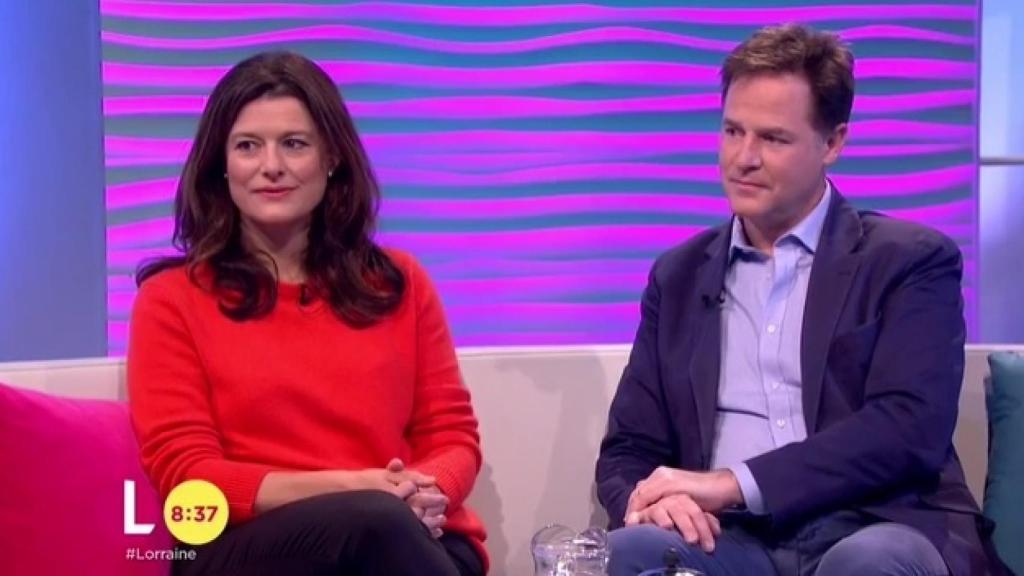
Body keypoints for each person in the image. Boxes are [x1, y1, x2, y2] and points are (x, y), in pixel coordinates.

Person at [596, 24, 1007, 576]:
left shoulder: (908, 261)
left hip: (876, 525)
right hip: (733, 540)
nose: (743, 158)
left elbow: (907, 429)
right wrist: (649, 501)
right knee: (625, 553)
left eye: (772, 138)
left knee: (869, 563)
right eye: (732, 131)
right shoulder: (678, 276)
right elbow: (628, 447)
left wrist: (732, 483)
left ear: (833, 142)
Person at [127, 51, 486, 576]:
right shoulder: (171, 299)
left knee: (396, 537)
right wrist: (360, 488)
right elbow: (191, 479)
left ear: (332, 158)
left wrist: (425, 494)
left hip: (405, 531)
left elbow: (451, 435)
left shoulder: (398, 281)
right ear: (221, 165)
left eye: (294, 144)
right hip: (243, 547)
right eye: (248, 146)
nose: (271, 165)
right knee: (376, 525)